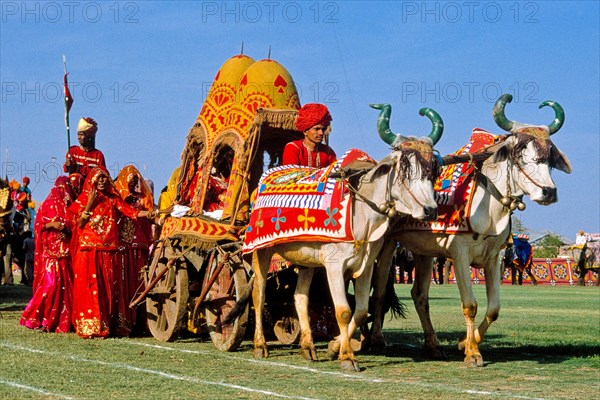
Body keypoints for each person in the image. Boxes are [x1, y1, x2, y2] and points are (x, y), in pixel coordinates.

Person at [69, 167, 153, 338]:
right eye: (98, 178)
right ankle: (90, 325)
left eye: (104, 178)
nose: (101, 181)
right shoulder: (84, 198)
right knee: (89, 288)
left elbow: (133, 213)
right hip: (88, 250)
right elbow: (78, 224)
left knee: (107, 288)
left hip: (108, 250)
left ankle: (107, 324)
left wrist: (154, 212)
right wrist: (90, 204)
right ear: (92, 180)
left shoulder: (113, 199)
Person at [20, 176, 77, 332]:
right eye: (61, 189)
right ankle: (37, 317)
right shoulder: (47, 204)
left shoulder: (71, 207)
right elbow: (39, 225)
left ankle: (60, 320)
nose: (63, 192)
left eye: (66, 188)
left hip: (65, 254)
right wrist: (53, 224)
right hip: (50, 254)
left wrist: (67, 232)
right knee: (50, 285)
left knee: (66, 287)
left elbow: (76, 228)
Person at [114, 165, 155, 334]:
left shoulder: (143, 198)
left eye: (136, 181)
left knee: (140, 283)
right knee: (124, 285)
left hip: (140, 248)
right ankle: (124, 323)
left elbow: (151, 214)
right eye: (130, 181)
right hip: (123, 248)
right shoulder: (117, 199)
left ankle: (141, 323)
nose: (133, 184)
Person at [282, 103, 336, 168]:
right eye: (317, 129)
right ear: (305, 131)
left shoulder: (328, 152)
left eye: (323, 129)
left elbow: (336, 175)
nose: (321, 133)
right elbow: (290, 175)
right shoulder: (293, 148)